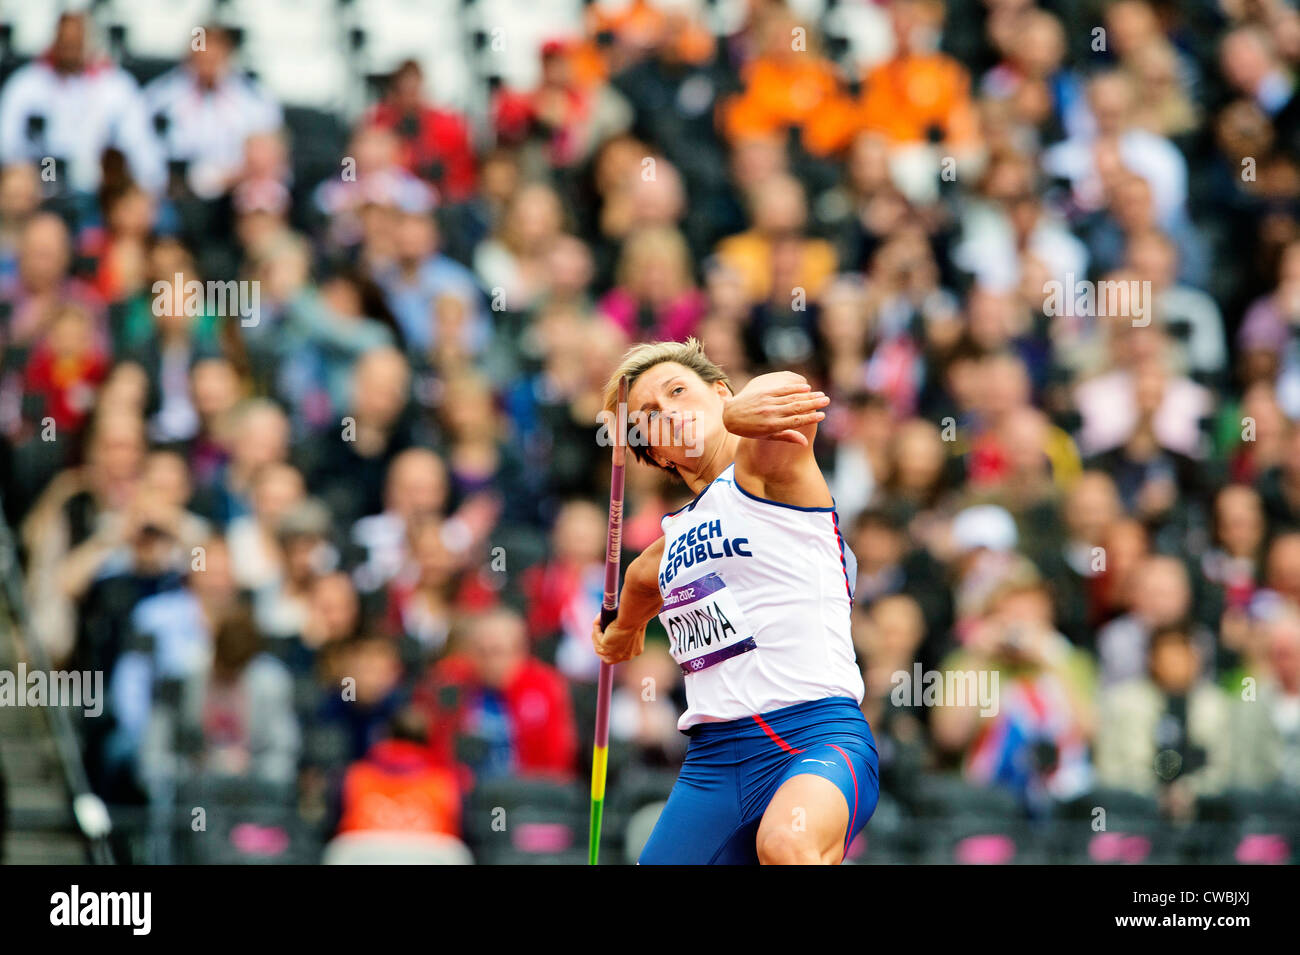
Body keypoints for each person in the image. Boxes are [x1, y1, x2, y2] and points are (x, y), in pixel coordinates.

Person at [591, 337, 879, 865]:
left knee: (787, 844)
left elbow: (788, 390)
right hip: (713, 765)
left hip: (815, 738)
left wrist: (742, 410)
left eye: (680, 391)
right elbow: (638, 578)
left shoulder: (767, 467)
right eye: (650, 414)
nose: (670, 412)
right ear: (652, 450)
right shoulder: (673, 538)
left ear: (721, 391)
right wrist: (623, 632)